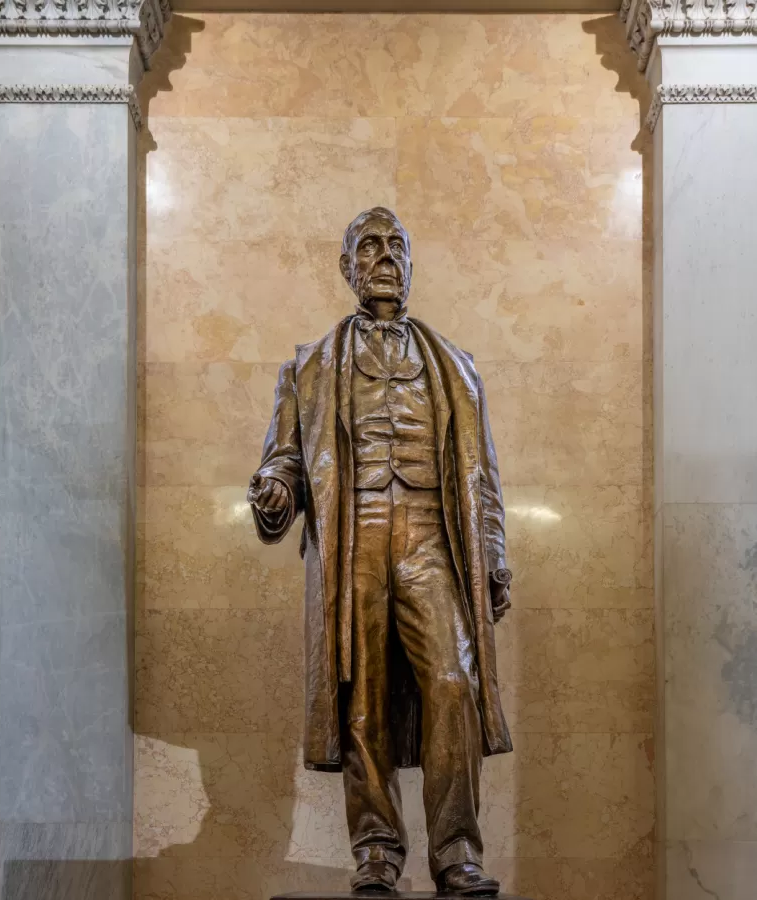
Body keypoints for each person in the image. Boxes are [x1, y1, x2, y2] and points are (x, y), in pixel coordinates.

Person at [248, 207, 512, 896]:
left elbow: (482, 474)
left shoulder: (457, 366)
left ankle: (456, 850)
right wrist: (275, 488)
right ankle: (376, 851)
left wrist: (492, 552)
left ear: (412, 263)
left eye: (397, 246)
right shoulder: (307, 368)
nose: (386, 256)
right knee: (359, 696)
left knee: (453, 684)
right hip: (353, 537)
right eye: (370, 246)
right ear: (348, 268)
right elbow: (285, 461)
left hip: (432, 537)